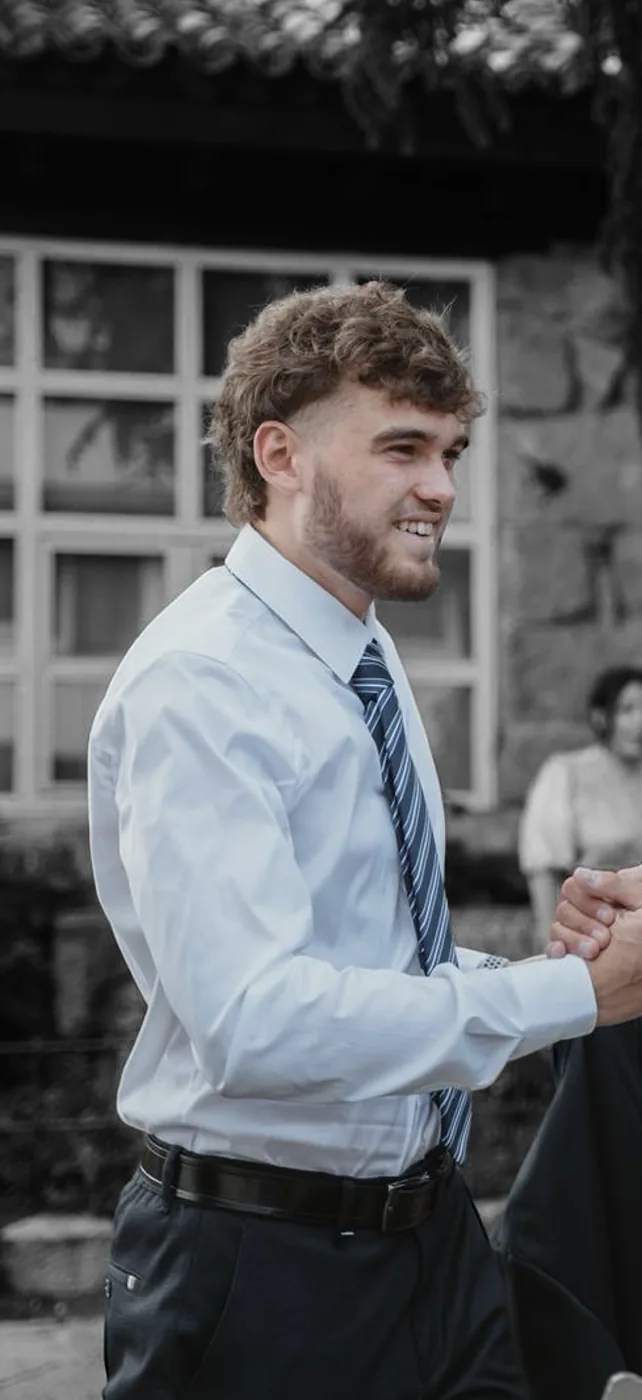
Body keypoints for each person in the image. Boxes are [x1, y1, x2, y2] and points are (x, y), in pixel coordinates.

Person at [87, 281, 642, 1400]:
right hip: (255, 1266)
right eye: (402, 448)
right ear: (279, 453)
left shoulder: (366, 650)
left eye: (450, 450)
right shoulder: (202, 681)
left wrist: (562, 966)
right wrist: (570, 1001)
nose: (440, 487)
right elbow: (257, 1021)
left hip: (433, 1235)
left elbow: (380, 966)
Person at [519, 667, 642, 946]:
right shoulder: (566, 773)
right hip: (593, 932)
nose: (640, 721)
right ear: (601, 717)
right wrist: (548, 936)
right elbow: (544, 865)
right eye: (627, 710)